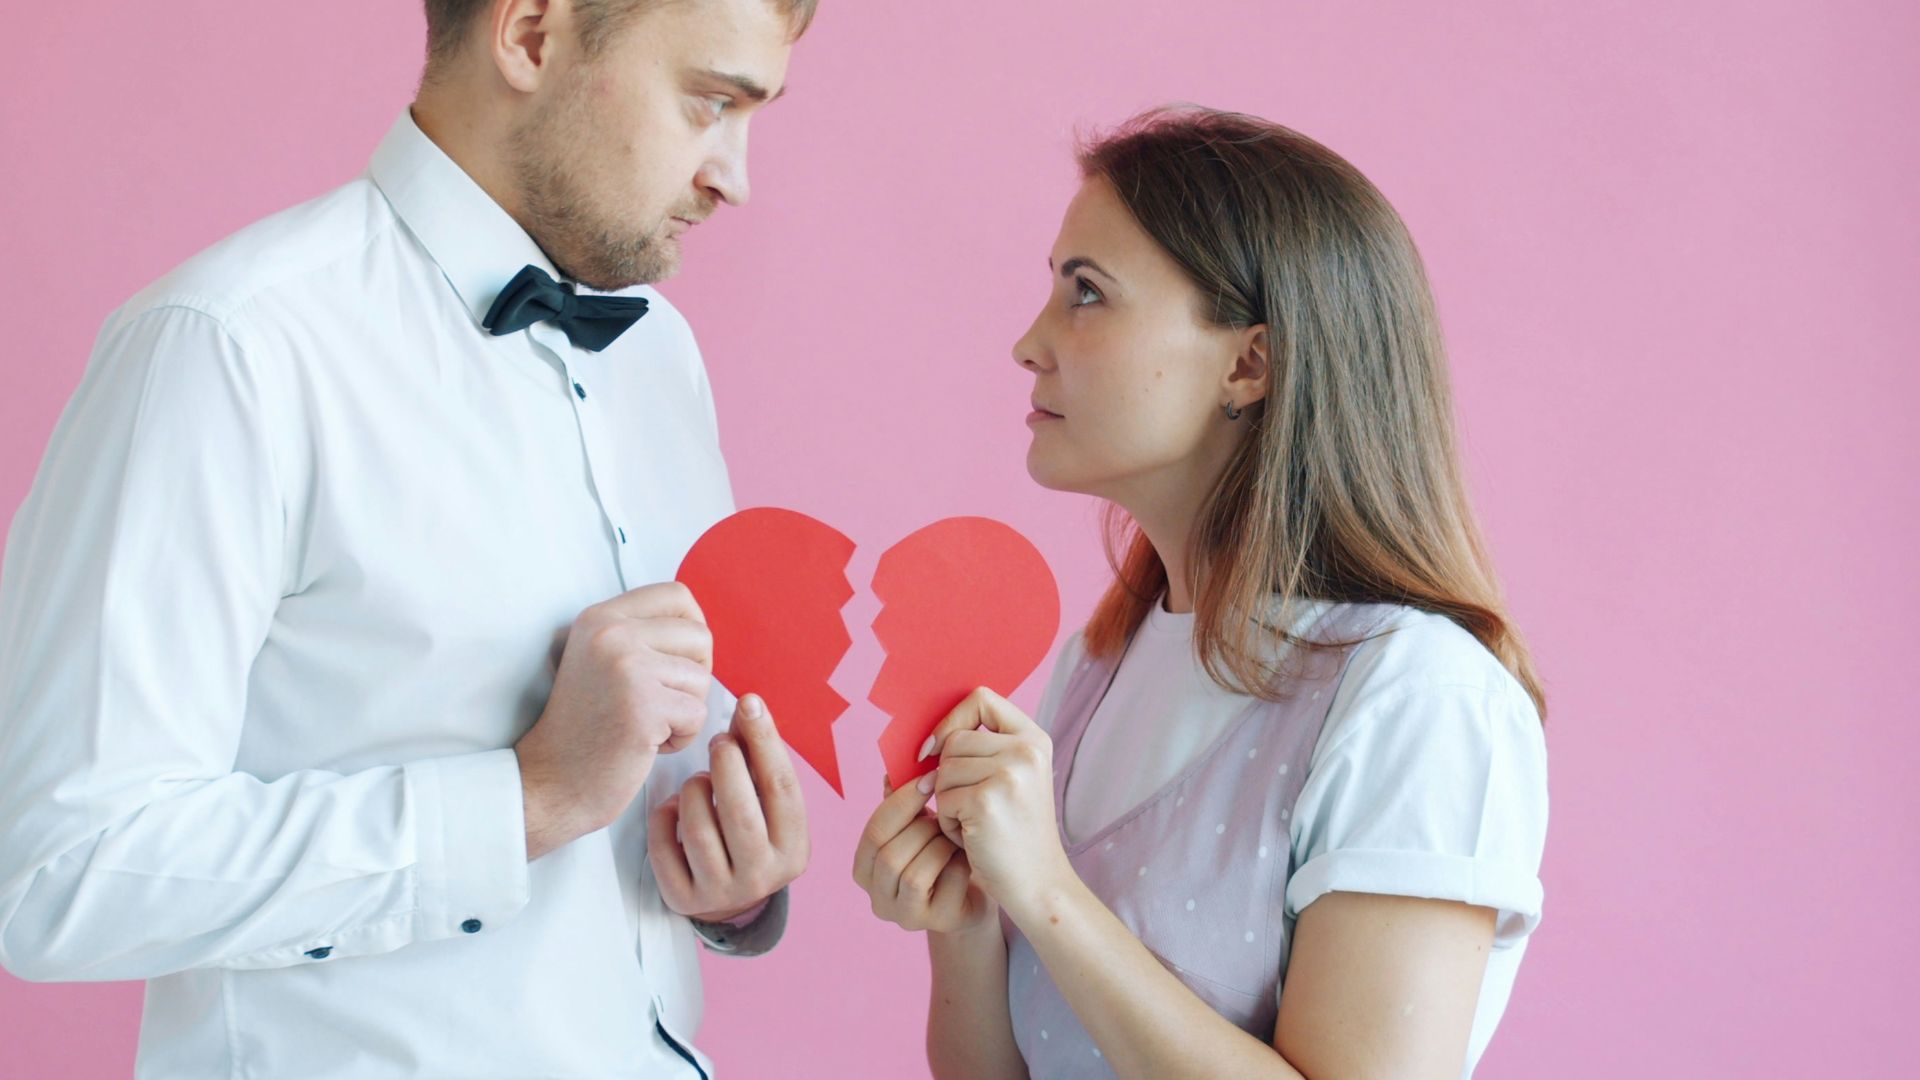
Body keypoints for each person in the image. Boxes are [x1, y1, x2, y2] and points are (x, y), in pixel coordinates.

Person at [0, 1, 817, 1076]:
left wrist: (732, 891)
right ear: (530, 35)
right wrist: (525, 801)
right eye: (710, 103)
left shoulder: (657, 355)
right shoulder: (231, 349)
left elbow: (629, 838)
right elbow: (62, 876)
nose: (734, 177)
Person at [853, 107, 1550, 1079]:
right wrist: (967, 922)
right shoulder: (1102, 663)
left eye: (1086, 293)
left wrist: (1048, 894)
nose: (1030, 342)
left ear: (1250, 363)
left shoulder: (1421, 698)